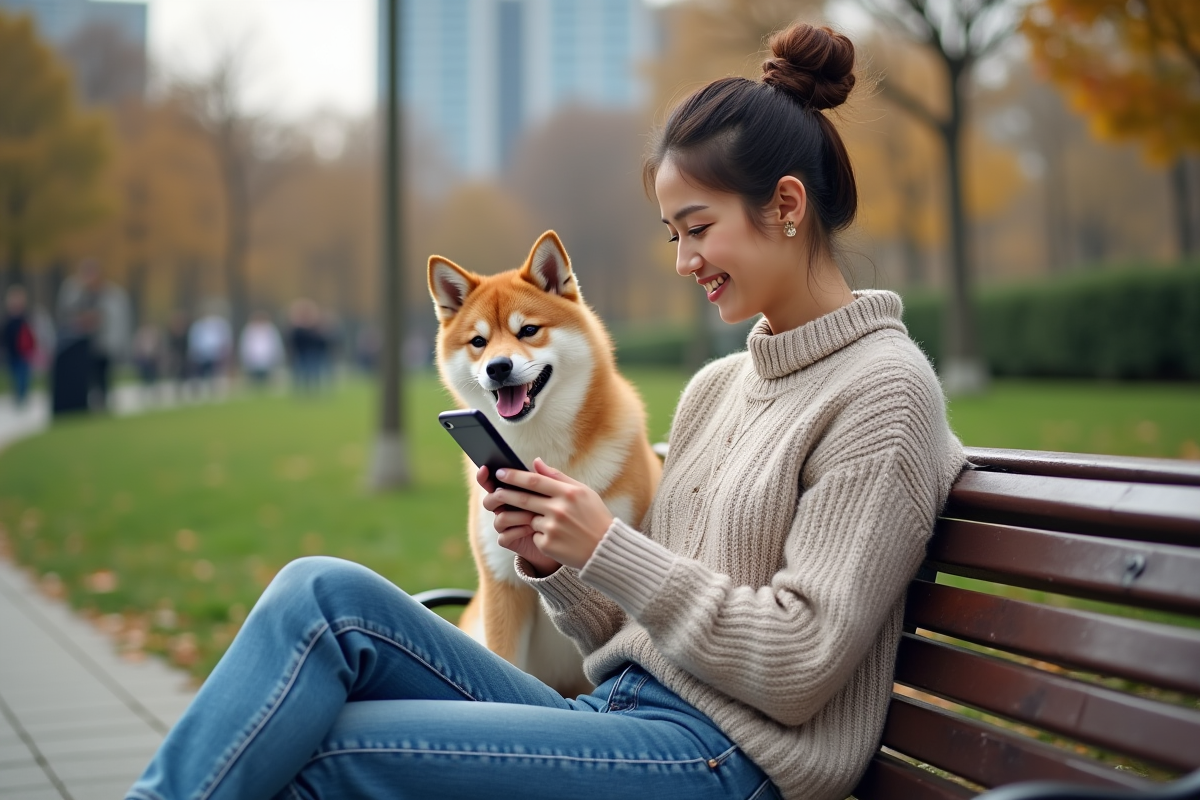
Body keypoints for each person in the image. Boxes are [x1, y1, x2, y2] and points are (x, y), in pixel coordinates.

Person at [125, 23, 964, 800]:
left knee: (322, 751)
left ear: (785, 206)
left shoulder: (881, 395)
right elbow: (629, 628)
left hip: (726, 759)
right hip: (628, 712)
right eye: (673, 234)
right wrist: (555, 555)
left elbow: (800, 662)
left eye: (697, 228)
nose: (684, 261)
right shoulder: (720, 389)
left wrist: (607, 544)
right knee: (320, 595)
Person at [56, 258, 131, 410]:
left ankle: (102, 403)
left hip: (102, 344)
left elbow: (115, 320)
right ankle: (84, 404)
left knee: (102, 376)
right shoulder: (75, 291)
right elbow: (65, 312)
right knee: (82, 377)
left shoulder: (111, 294)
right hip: (78, 345)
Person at [2, 285, 36, 407]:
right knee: (14, 376)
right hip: (12, 353)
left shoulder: (25, 318)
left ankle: (22, 396)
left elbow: (31, 334)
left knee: (23, 375)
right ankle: (18, 395)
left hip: (23, 352)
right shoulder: (7, 319)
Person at [239, 310, 285, 388]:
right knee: (254, 377)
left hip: (267, 356)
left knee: (267, 376)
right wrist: (246, 356)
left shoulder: (270, 329)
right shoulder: (249, 329)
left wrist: (276, 355)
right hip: (253, 357)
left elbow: (275, 343)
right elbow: (245, 344)